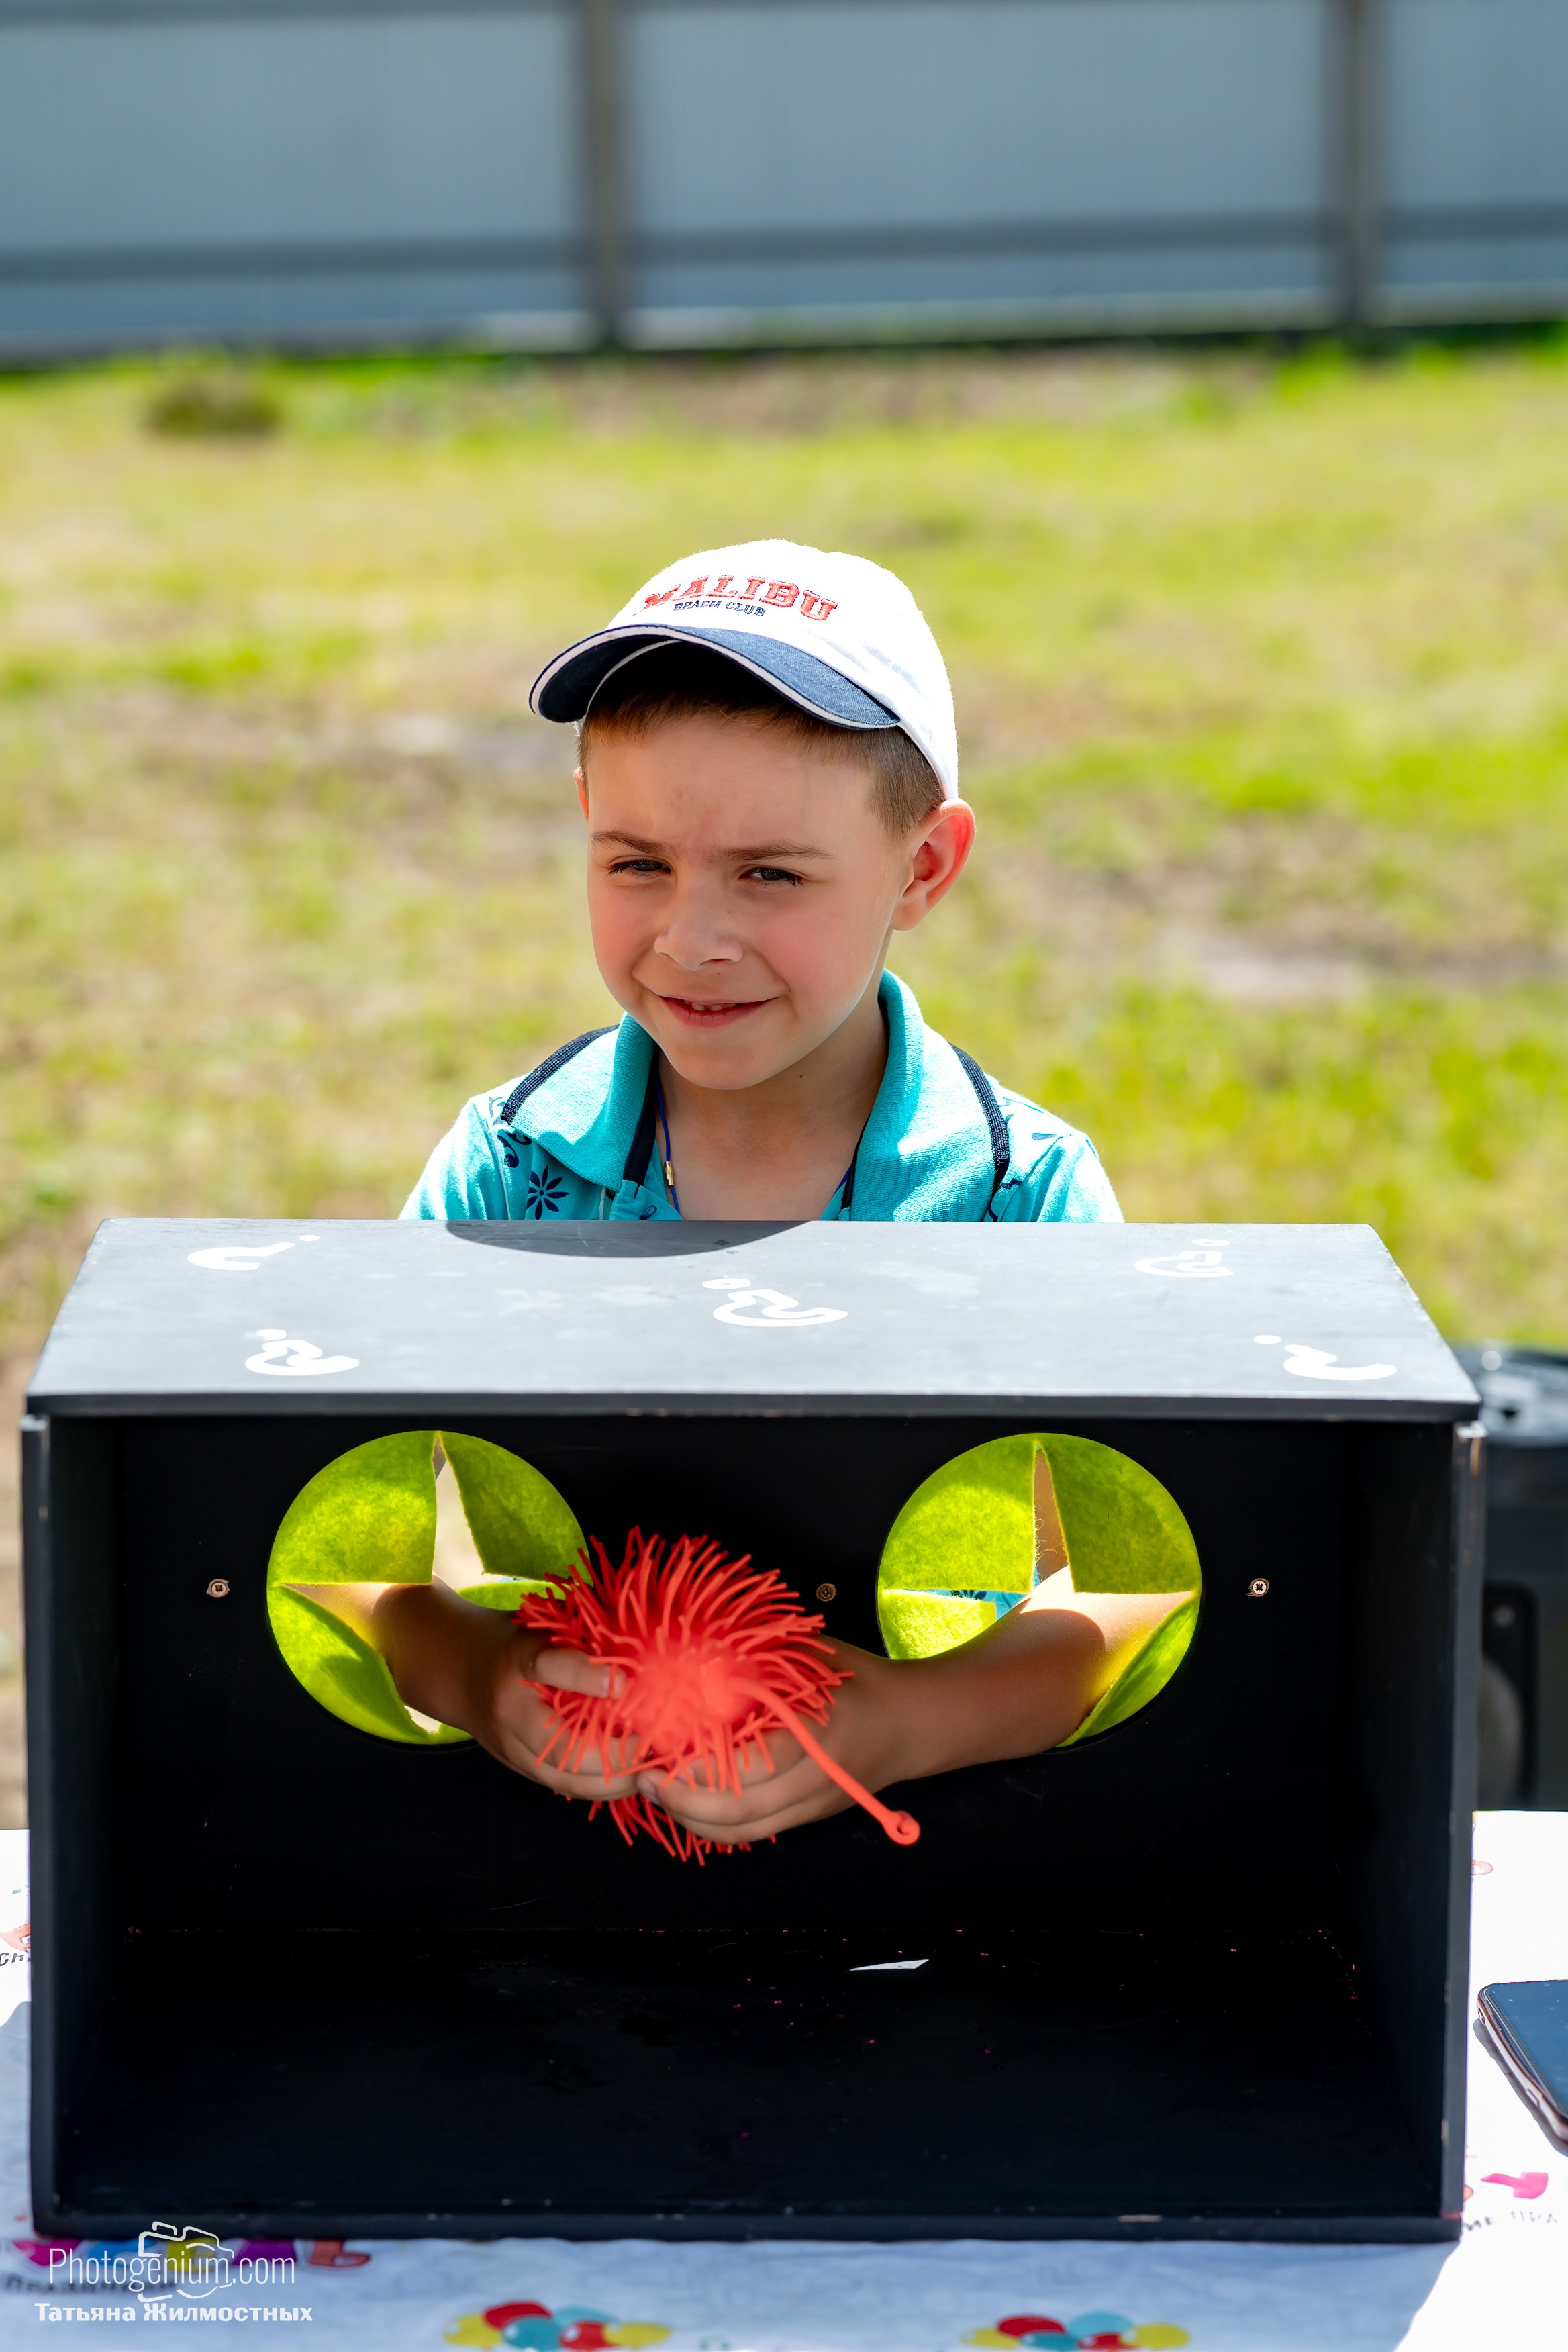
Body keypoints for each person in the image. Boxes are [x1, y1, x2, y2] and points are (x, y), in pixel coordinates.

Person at [352, 540, 1191, 1843]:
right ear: (582, 816)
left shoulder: (1024, 1199)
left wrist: (903, 1723)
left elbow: (1142, 1588)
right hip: (546, 1907)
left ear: (921, 870)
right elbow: (352, 1548)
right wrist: (481, 1680)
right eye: (636, 864)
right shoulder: (505, 1170)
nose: (691, 938)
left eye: (771, 874)